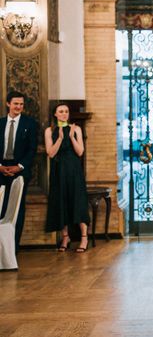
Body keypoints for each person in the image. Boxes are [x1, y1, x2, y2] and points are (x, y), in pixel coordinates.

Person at [44, 103, 91, 252]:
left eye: (66, 111)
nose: (64, 114)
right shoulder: (49, 131)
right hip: (58, 171)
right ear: (55, 114)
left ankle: (84, 237)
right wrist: (59, 138)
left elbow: (80, 152)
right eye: (61, 111)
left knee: (78, 201)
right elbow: (51, 153)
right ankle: (66, 236)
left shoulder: (76, 129)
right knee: (61, 201)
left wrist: (71, 137)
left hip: (74, 170)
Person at [0, 91, 38, 250]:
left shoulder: (30, 124)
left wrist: (19, 167)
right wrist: (0, 167)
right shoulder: (0, 123)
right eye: (16, 104)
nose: (19, 107)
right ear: (8, 104)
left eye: (21, 104)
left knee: (17, 209)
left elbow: (32, 149)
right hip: (0, 169)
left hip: (20, 171)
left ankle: (13, 248)